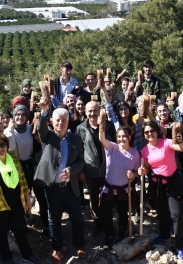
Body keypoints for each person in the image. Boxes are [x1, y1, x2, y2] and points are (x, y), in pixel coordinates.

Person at [34, 99, 87, 263]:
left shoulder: (76, 139)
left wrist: (71, 170)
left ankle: (80, 245)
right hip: (53, 188)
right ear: (53, 122)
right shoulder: (47, 136)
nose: (61, 123)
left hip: (71, 187)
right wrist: (44, 112)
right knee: (54, 219)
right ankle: (57, 249)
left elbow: (81, 161)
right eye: (58, 120)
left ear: (68, 122)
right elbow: (41, 128)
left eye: (64, 120)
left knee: (77, 217)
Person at [0, 133, 40, 264]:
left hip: (16, 202)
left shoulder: (14, 159)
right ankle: (6, 258)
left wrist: (28, 200)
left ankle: (27, 255)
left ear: (6, 145)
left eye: (2, 144)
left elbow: (22, 180)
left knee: (20, 230)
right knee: (1, 233)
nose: (0, 148)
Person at [138, 122, 183, 259]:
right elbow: (148, 168)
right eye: (146, 132)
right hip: (157, 184)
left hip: (172, 183)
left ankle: (180, 244)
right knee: (161, 212)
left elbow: (182, 148)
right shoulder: (145, 150)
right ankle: (165, 234)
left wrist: (179, 138)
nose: (150, 134)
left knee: (176, 214)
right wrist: (143, 170)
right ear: (144, 135)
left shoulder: (166, 143)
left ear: (157, 131)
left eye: (152, 131)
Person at [76, 101, 116, 237]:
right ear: (85, 112)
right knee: (93, 200)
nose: (92, 114)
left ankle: (108, 224)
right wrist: (80, 171)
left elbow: (115, 146)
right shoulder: (80, 128)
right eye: (90, 111)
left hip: (107, 169)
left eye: (95, 110)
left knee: (107, 198)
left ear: (100, 111)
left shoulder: (109, 126)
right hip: (90, 169)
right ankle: (97, 223)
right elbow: (79, 151)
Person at [99, 125, 141, 248]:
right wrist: (102, 122)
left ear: (129, 137)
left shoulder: (135, 154)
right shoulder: (112, 147)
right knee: (103, 216)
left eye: (124, 136)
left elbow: (138, 170)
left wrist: (133, 173)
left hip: (124, 189)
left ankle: (121, 235)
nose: (121, 139)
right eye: (119, 136)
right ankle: (109, 233)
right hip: (109, 189)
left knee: (123, 215)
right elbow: (101, 138)